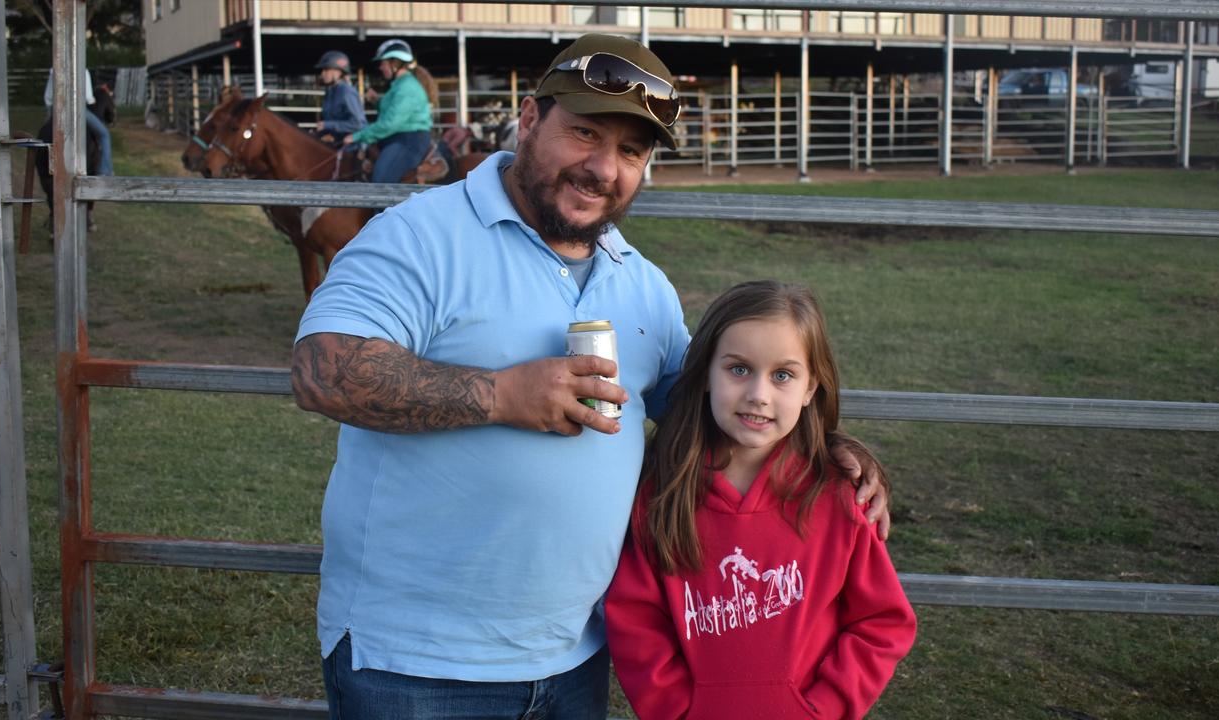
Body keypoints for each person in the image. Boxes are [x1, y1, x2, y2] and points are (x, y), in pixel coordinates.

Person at [291, 33, 891, 719]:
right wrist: (498, 395)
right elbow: (320, 370)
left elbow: (720, 411)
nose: (603, 168)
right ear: (526, 120)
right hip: (416, 665)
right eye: (584, 133)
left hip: (576, 660)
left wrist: (827, 451)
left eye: (631, 151)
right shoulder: (420, 236)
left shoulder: (643, 286)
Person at [605, 281, 916, 720]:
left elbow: (881, 623)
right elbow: (637, 621)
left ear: (811, 388)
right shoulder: (663, 493)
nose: (759, 395)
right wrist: (677, 711)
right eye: (738, 369)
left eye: (783, 375)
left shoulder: (839, 496)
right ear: (706, 374)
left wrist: (823, 709)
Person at [342, 38, 433, 183]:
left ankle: (381, 206)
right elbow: (394, 111)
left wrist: (357, 136)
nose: (380, 67)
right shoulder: (399, 85)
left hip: (408, 141)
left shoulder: (406, 87)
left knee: (380, 181)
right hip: (399, 138)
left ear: (395, 63)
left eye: (383, 63)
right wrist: (377, 101)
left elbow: (391, 123)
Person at [44, 68, 113, 177]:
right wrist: (93, 101)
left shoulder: (54, 70)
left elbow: (48, 97)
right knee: (104, 134)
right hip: (78, 110)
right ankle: (104, 171)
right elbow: (88, 98)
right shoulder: (82, 71)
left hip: (57, 111)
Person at [312, 50, 366, 145]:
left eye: (326, 70)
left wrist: (327, 125)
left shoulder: (346, 91)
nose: (322, 74)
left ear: (338, 71)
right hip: (336, 142)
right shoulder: (330, 92)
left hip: (352, 146)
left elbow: (358, 124)